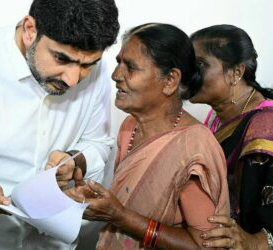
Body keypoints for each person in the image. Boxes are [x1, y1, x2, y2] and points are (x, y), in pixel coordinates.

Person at [0, 0, 119, 249]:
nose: (73, 79)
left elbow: (98, 143)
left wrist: (74, 160)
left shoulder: (96, 73)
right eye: (61, 58)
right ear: (30, 29)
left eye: (87, 65)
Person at [68, 23, 230, 249]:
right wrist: (96, 201)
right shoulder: (129, 127)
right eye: (118, 63)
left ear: (171, 80)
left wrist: (121, 217)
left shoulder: (193, 148)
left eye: (130, 67)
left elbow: (206, 246)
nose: (116, 76)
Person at [189, 24, 273, 249]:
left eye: (200, 65)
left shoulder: (268, 126)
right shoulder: (216, 116)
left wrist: (253, 241)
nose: (189, 74)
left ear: (236, 73)